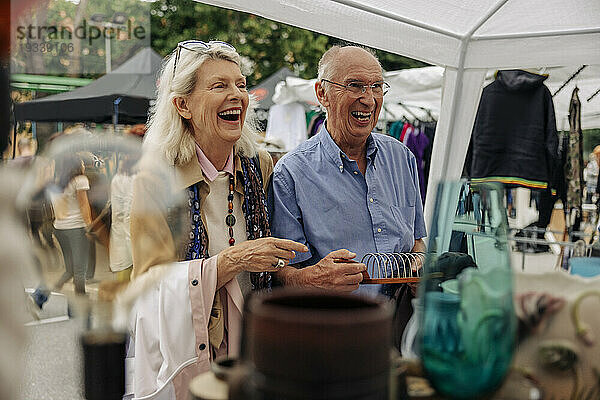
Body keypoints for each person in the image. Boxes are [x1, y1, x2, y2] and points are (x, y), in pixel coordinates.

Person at [128, 40, 306, 398]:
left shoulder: (260, 165)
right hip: (194, 352)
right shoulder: (154, 179)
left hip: (255, 346)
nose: (237, 95)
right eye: (219, 86)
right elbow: (147, 289)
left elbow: (274, 262)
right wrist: (233, 260)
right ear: (182, 105)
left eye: (240, 85)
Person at [270, 45, 427, 297]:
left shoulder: (402, 158)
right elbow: (281, 272)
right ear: (322, 93)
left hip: (401, 322)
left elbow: (417, 241)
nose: (368, 99)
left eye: (377, 86)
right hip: (339, 327)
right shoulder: (291, 174)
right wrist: (313, 278)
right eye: (355, 85)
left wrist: (420, 264)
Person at [49, 152, 92, 295]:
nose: (83, 165)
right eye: (81, 162)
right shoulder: (80, 180)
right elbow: (84, 205)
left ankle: (40, 295)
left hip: (59, 228)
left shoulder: (57, 182)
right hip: (76, 228)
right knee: (79, 270)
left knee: (70, 270)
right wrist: (89, 227)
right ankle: (81, 303)